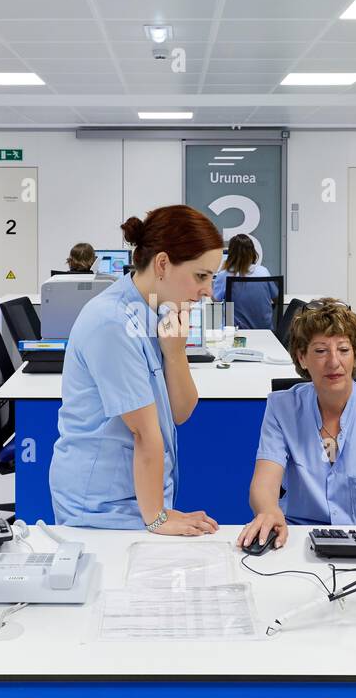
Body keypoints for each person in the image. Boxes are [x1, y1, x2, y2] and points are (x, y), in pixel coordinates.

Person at [49, 205, 225, 533]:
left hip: (138, 498)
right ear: (162, 264)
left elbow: (179, 412)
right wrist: (157, 516)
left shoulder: (156, 313)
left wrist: (175, 353)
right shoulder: (112, 322)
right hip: (103, 505)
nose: (208, 291)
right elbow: (143, 431)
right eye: (201, 276)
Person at [237, 299, 356, 551]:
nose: (334, 362)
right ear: (302, 357)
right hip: (299, 538)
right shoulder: (282, 407)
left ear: (355, 355)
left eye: (343, 350)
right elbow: (265, 480)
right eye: (320, 351)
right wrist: (268, 511)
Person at [211, 233, 270, 301]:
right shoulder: (263, 271)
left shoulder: (224, 275)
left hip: (234, 312)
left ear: (231, 254)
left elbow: (215, 299)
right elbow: (276, 297)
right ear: (252, 252)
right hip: (261, 312)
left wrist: (222, 270)